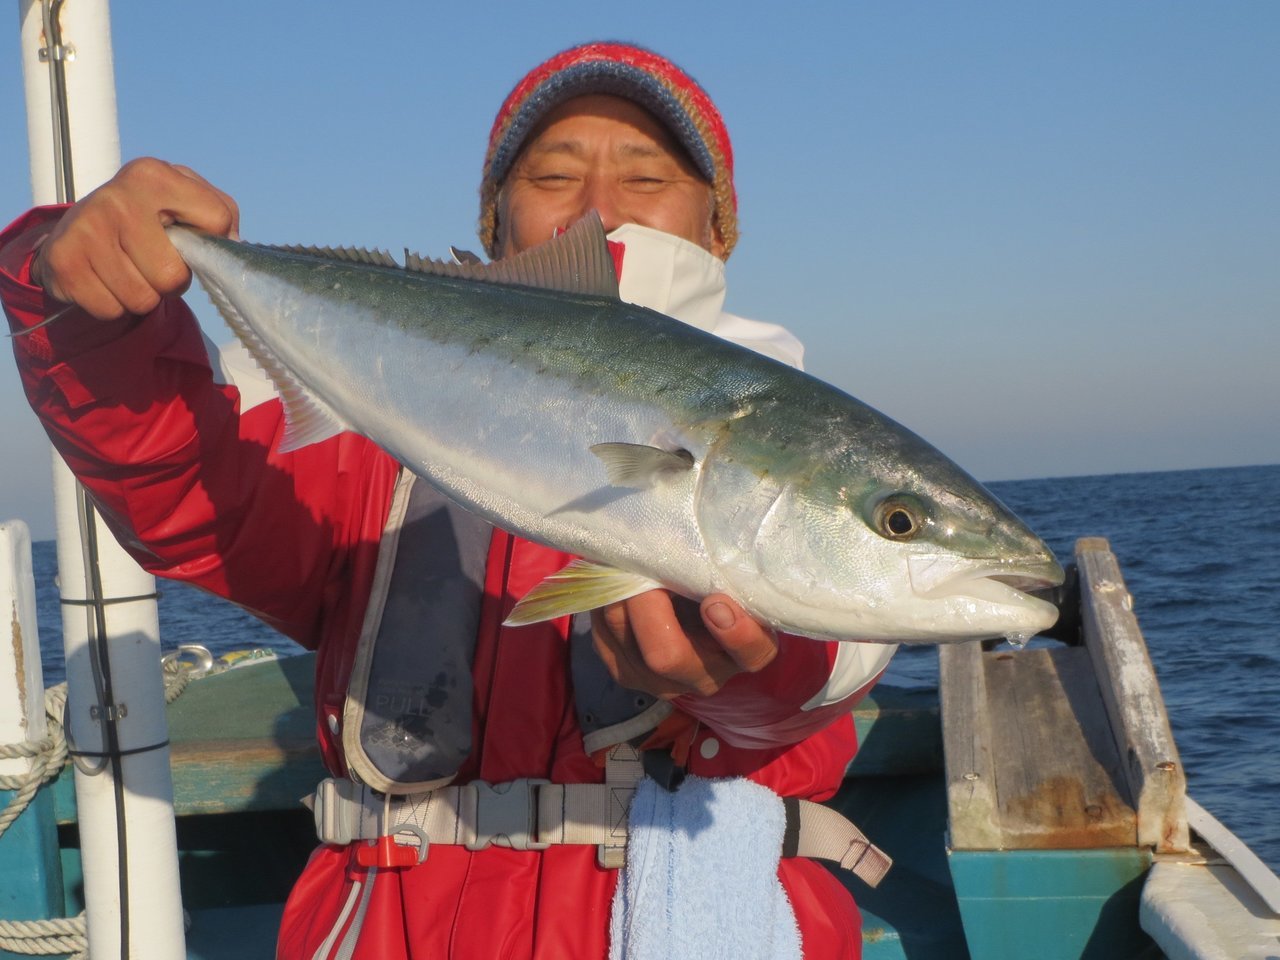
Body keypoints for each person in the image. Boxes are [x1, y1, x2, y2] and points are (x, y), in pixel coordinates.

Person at [2, 42, 895, 959]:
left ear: (717, 231)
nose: (599, 207)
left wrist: (745, 670)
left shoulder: (806, 434)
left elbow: (822, 677)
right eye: (553, 175)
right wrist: (79, 306)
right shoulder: (374, 419)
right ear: (495, 222)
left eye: (647, 176)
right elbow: (186, 490)